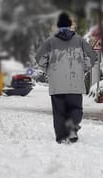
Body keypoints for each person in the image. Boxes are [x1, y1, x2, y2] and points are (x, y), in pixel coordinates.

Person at [34, 12, 97, 143]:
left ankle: (61, 136)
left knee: (59, 112)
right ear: (69, 26)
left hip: (57, 85)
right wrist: (82, 69)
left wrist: (49, 71)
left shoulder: (50, 42)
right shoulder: (80, 41)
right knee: (76, 108)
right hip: (75, 83)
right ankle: (72, 126)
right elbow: (92, 57)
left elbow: (39, 59)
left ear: (58, 27)